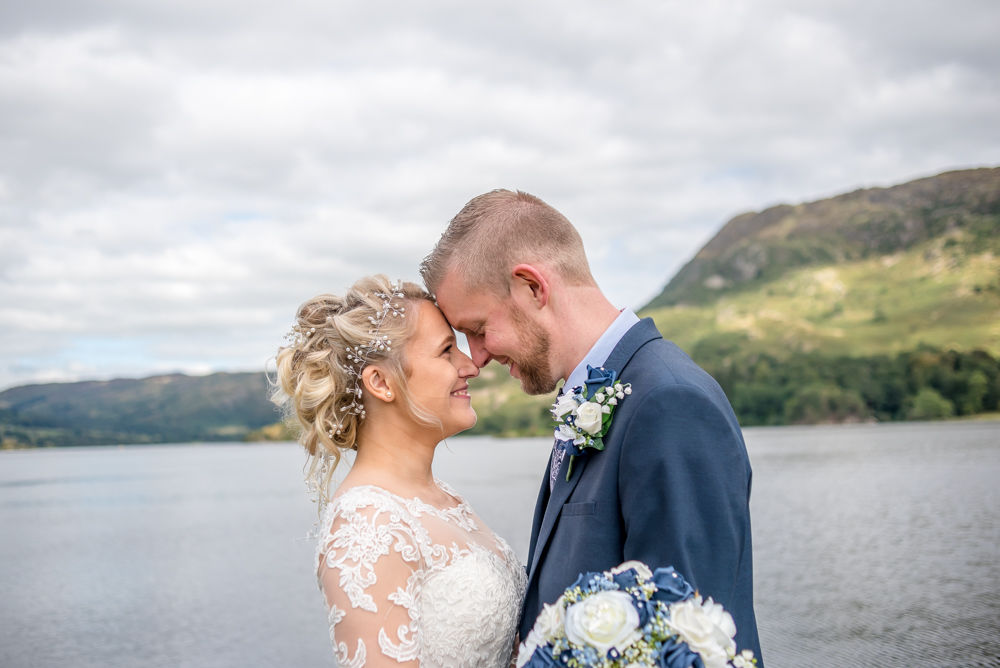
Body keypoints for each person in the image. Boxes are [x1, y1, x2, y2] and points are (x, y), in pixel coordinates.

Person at [421, 190, 763, 662]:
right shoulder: (597, 395)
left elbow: (686, 642)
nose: (476, 357)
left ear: (533, 288)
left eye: (478, 328)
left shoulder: (668, 403)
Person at [272, 275, 526, 667]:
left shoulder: (443, 498)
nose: (471, 366)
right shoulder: (367, 524)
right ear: (381, 382)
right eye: (446, 351)